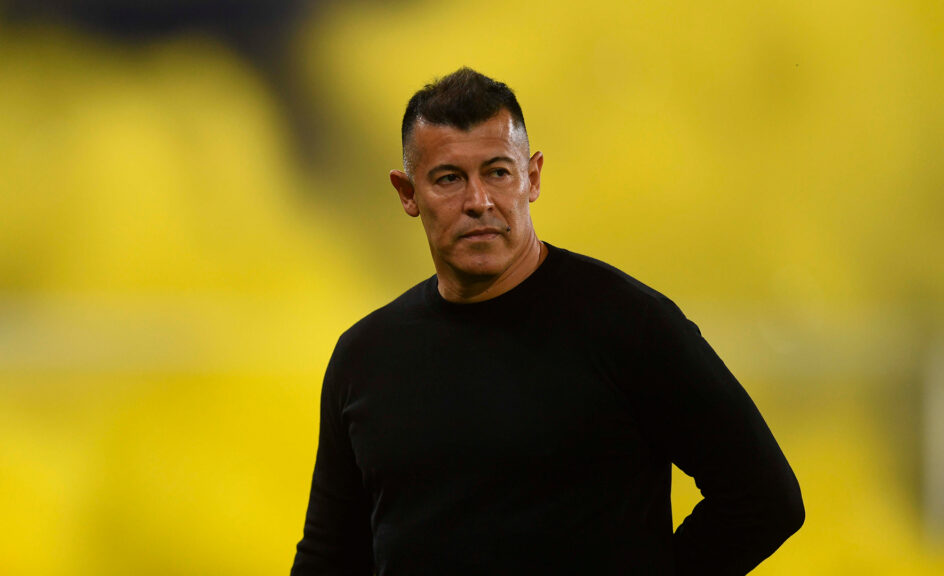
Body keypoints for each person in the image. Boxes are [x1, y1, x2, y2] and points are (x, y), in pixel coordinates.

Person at [291, 67, 803, 575]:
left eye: (498, 172)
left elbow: (763, 500)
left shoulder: (628, 324)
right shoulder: (364, 357)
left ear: (531, 178)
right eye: (449, 179)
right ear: (407, 193)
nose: (478, 202)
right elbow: (329, 557)